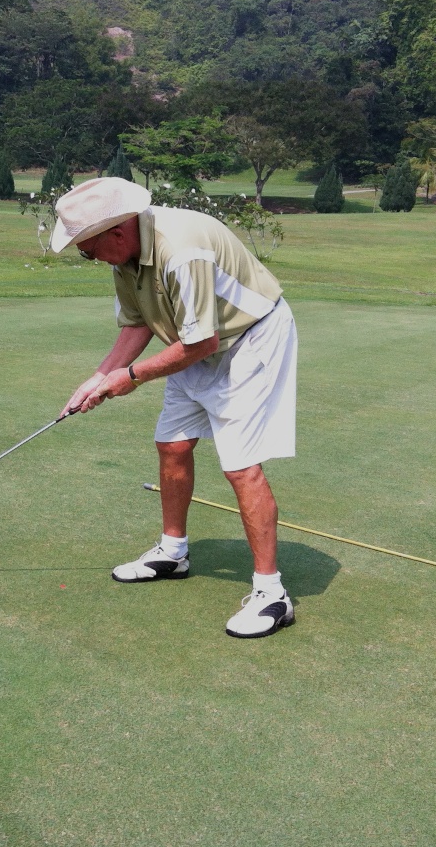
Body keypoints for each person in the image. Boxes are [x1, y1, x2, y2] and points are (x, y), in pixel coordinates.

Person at [53, 177, 299, 638]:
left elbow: (201, 342)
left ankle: (272, 593)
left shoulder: (182, 250)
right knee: (172, 444)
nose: (89, 258)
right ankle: (173, 552)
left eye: (87, 251)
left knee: (240, 467)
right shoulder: (124, 256)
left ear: (116, 232)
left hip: (249, 340)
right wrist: (98, 377)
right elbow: (138, 324)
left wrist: (130, 377)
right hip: (194, 342)